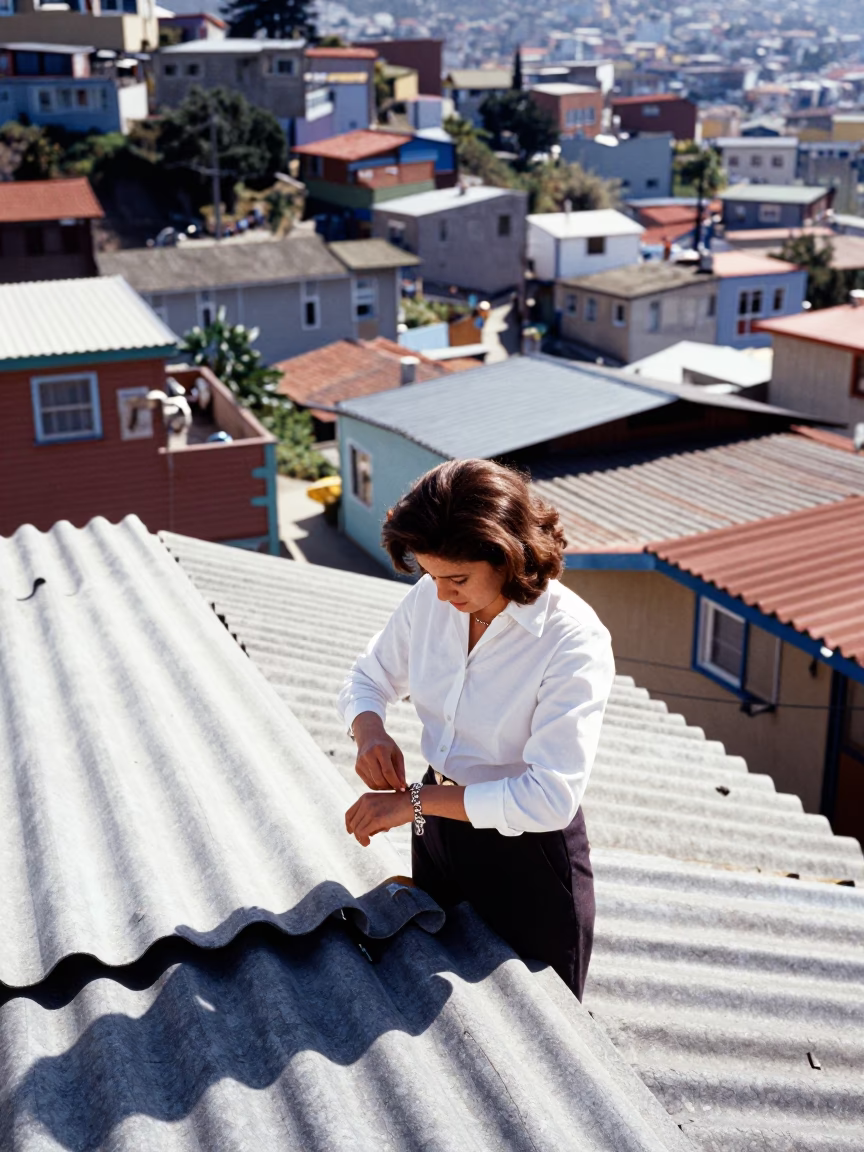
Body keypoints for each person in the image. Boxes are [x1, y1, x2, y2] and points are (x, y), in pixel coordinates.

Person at [338, 459, 615, 999]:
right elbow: (368, 676)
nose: (441, 595)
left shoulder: (572, 640)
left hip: (527, 857)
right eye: (430, 575)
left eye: (456, 579)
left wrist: (415, 801)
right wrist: (368, 728)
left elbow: (550, 798)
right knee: (441, 1000)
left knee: (536, 1026)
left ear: (507, 554)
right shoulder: (430, 598)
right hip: (436, 829)